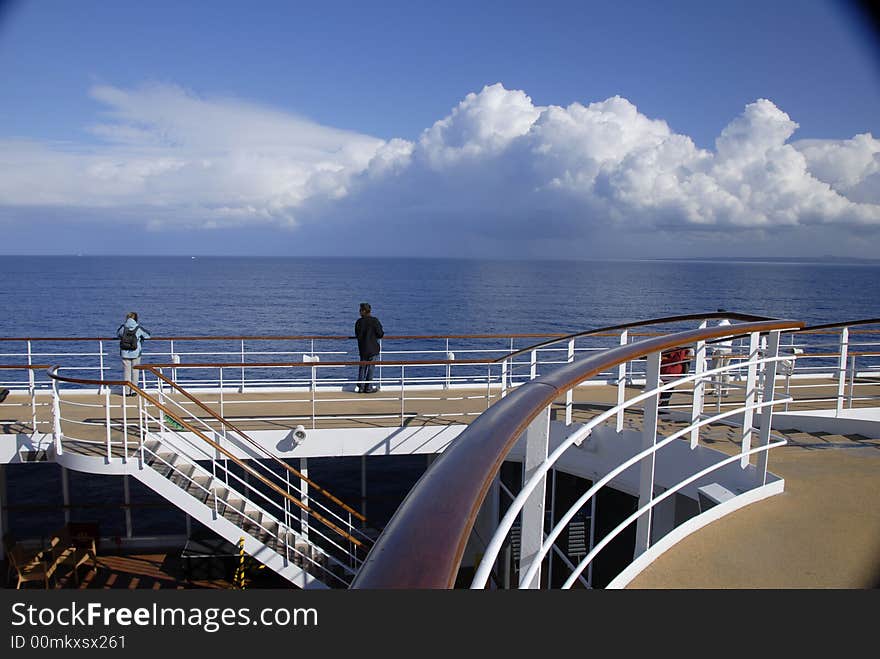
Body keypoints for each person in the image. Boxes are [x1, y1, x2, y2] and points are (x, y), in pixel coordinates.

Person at [116, 312, 151, 396]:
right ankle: (133, 391)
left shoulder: (123, 327)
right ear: (136, 318)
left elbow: (118, 334)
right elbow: (147, 335)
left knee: (126, 373)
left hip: (125, 353)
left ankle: (127, 391)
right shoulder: (138, 328)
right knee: (135, 372)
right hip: (136, 353)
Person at [354, 302, 384, 393]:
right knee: (371, 368)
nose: (359, 312)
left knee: (362, 368)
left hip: (363, 348)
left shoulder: (359, 322)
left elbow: (357, 334)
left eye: (360, 310)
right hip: (373, 348)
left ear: (364, 311)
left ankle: (361, 387)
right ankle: (368, 387)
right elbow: (380, 334)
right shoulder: (374, 321)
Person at [658, 346, 692, 412]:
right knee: (668, 390)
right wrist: (684, 351)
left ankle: (663, 406)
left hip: (666, 370)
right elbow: (678, 359)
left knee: (667, 389)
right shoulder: (676, 350)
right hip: (670, 371)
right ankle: (662, 407)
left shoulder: (668, 348)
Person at [710, 310, 733, 396]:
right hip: (728, 349)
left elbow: (716, 340)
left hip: (720, 349)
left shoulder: (719, 326)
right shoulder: (730, 325)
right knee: (725, 370)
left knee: (716, 370)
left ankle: (715, 390)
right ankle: (725, 390)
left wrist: (713, 350)